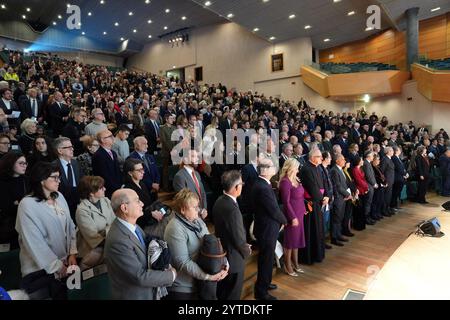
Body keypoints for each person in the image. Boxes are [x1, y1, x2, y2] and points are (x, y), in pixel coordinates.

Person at [15, 162, 77, 300]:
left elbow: (70, 226)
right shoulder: (27, 204)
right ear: (42, 180)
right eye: (54, 177)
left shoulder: (59, 196)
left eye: (59, 177)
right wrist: (56, 266)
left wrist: (72, 253)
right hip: (39, 269)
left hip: (64, 263)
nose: (58, 181)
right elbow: (34, 242)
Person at [104, 188, 176, 300]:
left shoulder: (135, 227)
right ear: (124, 208)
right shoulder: (117, 240)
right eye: (137, 201)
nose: (142, 204)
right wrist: (171, 275)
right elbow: (140, 276)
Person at [164, 189, 227, 300]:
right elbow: (182, 262)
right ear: (183, 210)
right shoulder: (174, 228)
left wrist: (225, 265)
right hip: (184, 287)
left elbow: (212, 243)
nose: (198, 210)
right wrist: (208, 277)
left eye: (198, 206)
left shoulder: (197, 221)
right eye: (194, 207)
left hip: (201, 282)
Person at [252, 157, 287, 300]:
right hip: (266, 229)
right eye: (272, 166)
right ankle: (261, 292)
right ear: (265, 170)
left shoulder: (263, 183)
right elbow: (273, 210)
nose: (275, 168)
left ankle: (265, 283)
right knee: (265, 260)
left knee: (266, 259)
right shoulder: (262, 186)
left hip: (267, 227)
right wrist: (285, 220)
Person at [212, 170, 251, 300]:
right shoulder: (232, 209)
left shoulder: (219, 201)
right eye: (241, 183)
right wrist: (247, 251)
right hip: (234, 259)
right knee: (232, 295)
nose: (242, 186)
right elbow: (239, 239)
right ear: (236, 187)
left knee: (224, 293)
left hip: (224, 254)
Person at [75, 176, 115, 270]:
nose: (105, 189)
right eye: (101, 188)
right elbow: (94, 239)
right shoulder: (82, 210)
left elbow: (116, 222)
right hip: (92, 254)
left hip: (109, 245)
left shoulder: (105, 200)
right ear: (91, 193)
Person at [123, 158, 167, 238]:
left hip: (150, 219)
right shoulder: (128, 190)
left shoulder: (142, 184)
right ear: (130, 173)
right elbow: (133, 215)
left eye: (142, 169)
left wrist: (156, 212)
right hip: (141, 225)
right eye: (139, 170)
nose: (143, 172)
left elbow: (149, 204)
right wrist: (151, 214)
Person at [278, 159, 306, 277]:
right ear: (290, 167)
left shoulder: (296, 179)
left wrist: (304, 209)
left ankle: (296, 264)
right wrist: (292, 217)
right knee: (289, 242)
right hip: (292, 215)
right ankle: (287, 265)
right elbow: (286, 202)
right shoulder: (285, 182)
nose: (298, 169)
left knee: (297, 240)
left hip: (300, 212)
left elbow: (300, 197)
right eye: (296, 167)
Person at [300, 149, 328, 264]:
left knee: (319, 229)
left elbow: (322, 183)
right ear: (312, 157)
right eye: (319, 156)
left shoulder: (317, 167)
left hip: (319, 201)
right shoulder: (306, 168)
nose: (321, 158)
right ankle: (310, 256)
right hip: (311, 203)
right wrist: (322, 198)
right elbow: (311, 187)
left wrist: (326, 196)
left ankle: (318, 254)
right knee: (311, 230)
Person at [0, 152, 29, 250]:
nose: (24, 166)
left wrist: (18, 202)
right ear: (10, 163)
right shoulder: (2, 182)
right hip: (8, 228)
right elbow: (6, 208)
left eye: (25, 163)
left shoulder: (26, 180)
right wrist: (22, 202)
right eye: (21, 163)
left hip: (25, 224)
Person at [53, 137, 83, 220]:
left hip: (78, 202)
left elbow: (81, 181)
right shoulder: (53, 166)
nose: (72, 149)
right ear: (60, 151)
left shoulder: (75, 163)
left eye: (72, 147)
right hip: (61, 203)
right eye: (69, 147)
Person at [173, 149, 208, 218]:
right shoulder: (179, 176)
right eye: (193, 156)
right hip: (190, 217)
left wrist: (204, 209)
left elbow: (203, 193)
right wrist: (200, 211)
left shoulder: (197, 174)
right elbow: (184, 200)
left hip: (201, 215)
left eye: (197, 156)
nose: (197, 159)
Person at [128, 136, 160, 202]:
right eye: (144, 144)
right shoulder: (131, 159)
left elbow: (157, 172)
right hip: (142, 191)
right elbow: (135, 176)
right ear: (137, 145)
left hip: (154, 190)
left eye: (147, 144)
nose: (147, 146)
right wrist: (151, 185)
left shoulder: (150, 157)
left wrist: (156, 183)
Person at [92, 130, 122, 198]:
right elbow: (104, 176)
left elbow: (117, 171)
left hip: (118, 188)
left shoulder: (113, 153)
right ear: (103, 140)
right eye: (110, 136)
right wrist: (117, 188)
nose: (113, 137)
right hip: (108, 191)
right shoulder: (98, 155)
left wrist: (121, 185)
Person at [330, 154, 352, 246]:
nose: (344, 161)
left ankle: (339, 235)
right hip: (338, 198)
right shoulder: (334, 170)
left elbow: (344, 184)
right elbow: (338, 186)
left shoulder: (340, 169)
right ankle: (334, 238)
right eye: (342, 159)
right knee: (336, 218)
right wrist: (348, 194)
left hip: (343, 197)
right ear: (337, 161)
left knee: (340, 217)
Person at [352, 156, 370, 229]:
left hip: (364, 190)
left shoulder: (360, 169)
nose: (363, 161)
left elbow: (364, 179)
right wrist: (366, 187)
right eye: (362, 160)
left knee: (363, 208)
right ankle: (358, 225)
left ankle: (362, 224)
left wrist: (366, 187)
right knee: (359, 209)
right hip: (359, 190)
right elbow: (358, 181)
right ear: (358, 161)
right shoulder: (355, 170)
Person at [380, 146, 395, 216]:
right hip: (387, 181)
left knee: (389, 196)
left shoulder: (390, 159)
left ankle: (387, 208)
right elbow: (382, 171)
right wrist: (384, 181)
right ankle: (384, 210)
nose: (393, 152)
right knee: (386, 196)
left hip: (391, 180)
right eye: (392, 150)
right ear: (388, 152)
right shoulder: (385, 159)